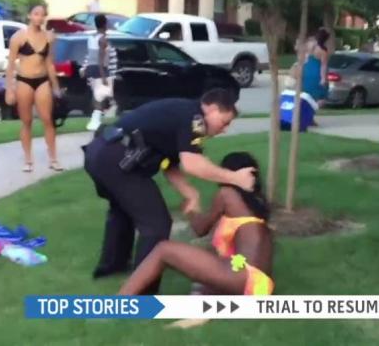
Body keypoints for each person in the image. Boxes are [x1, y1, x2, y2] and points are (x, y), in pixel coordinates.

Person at [83, 89, 256, 294]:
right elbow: (192, 163)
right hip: (115, 158)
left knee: (123, 210)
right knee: (157, 224)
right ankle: (143, 293)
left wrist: (190, 194)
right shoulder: (195, 119)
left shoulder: (184, 114)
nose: (224, 130)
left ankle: (113, 267)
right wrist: (236, 178)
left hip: (101, 152)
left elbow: (169, 165)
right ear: (211, 108)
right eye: (224, 122)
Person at [118, 152, 273, 297]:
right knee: (202, 265)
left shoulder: (227, 194)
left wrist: (191, 209)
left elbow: (200, 228)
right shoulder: (256, 204)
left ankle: (117, 303)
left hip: (240, 278)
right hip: (259, 286)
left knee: (163, 249)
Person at [5, 3, 63, 172]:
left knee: (47, 119)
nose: (39, 17)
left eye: (42, 14)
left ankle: (53, 159)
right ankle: (28, 160)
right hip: (24, 80)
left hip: (42, 80)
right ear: (29, 16)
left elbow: (49, 63)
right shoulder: (18, 37)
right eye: (36, 14)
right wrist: (9, 88)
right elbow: (10, 65)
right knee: (27, 121)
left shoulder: (49, 37)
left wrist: (56, 87)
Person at [82, 14, 118, 131]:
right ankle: (95, 120)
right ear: (104, 24)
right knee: (101, 95)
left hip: (92, 69)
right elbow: (100, 59)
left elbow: (89, 56)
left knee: (98, 95)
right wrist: (103, 76)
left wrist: (84, 67)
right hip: (101, 70)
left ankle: (96, 118)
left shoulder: (91, 38)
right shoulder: (103, 40)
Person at [300, 28, 331, 106]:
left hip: (307, 70)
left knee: (307, 92)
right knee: (320, 95)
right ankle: (314, 107)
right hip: (316, 72)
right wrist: (323, 78)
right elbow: (323, 65)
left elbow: (303, 58)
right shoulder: (323, 51)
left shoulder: (309, 46)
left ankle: (306, 107)